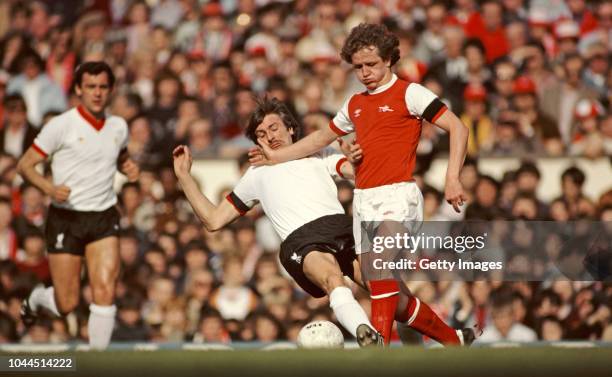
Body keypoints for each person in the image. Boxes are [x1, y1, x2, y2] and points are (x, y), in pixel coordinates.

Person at [250, 23, 475, 346]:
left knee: (380, 270)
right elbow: (320, 138)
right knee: (382, 285)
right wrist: (278, 156)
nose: (365, 72)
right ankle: (453, 341)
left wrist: (452, 177)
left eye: (371, 64)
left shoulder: (409, 92)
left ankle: (377, 348)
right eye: (358, 67)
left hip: (398, 194)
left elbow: (458, 127)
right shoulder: (355, 103)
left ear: (389, 61)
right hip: (364, 199)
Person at [173, 97, 381, 346]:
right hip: (302, 239)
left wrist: (358, 162)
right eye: (261, 133)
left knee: (387, 290)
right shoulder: (256, 174)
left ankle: (425, 344)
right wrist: (184, 177)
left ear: (290, 128)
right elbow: (214, 220)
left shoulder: (318, 154)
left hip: (341, 226)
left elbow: (362, 178)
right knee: (332, 279)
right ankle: (367, 334)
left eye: (274, 128)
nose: (270, 136)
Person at [16, 61, 139, 350]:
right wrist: (49, 188)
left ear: (111, 90)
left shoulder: (118, 126)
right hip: (66, 218)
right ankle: (37, 299)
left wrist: (128, 167)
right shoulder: (60, 125)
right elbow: (25, 165)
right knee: (67, 303)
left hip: (104, 216)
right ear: (78, 90)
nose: (97, 93)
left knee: (105, 288)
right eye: (91, 87)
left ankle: (98, 360)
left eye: (103, 87)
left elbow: (118, 157)